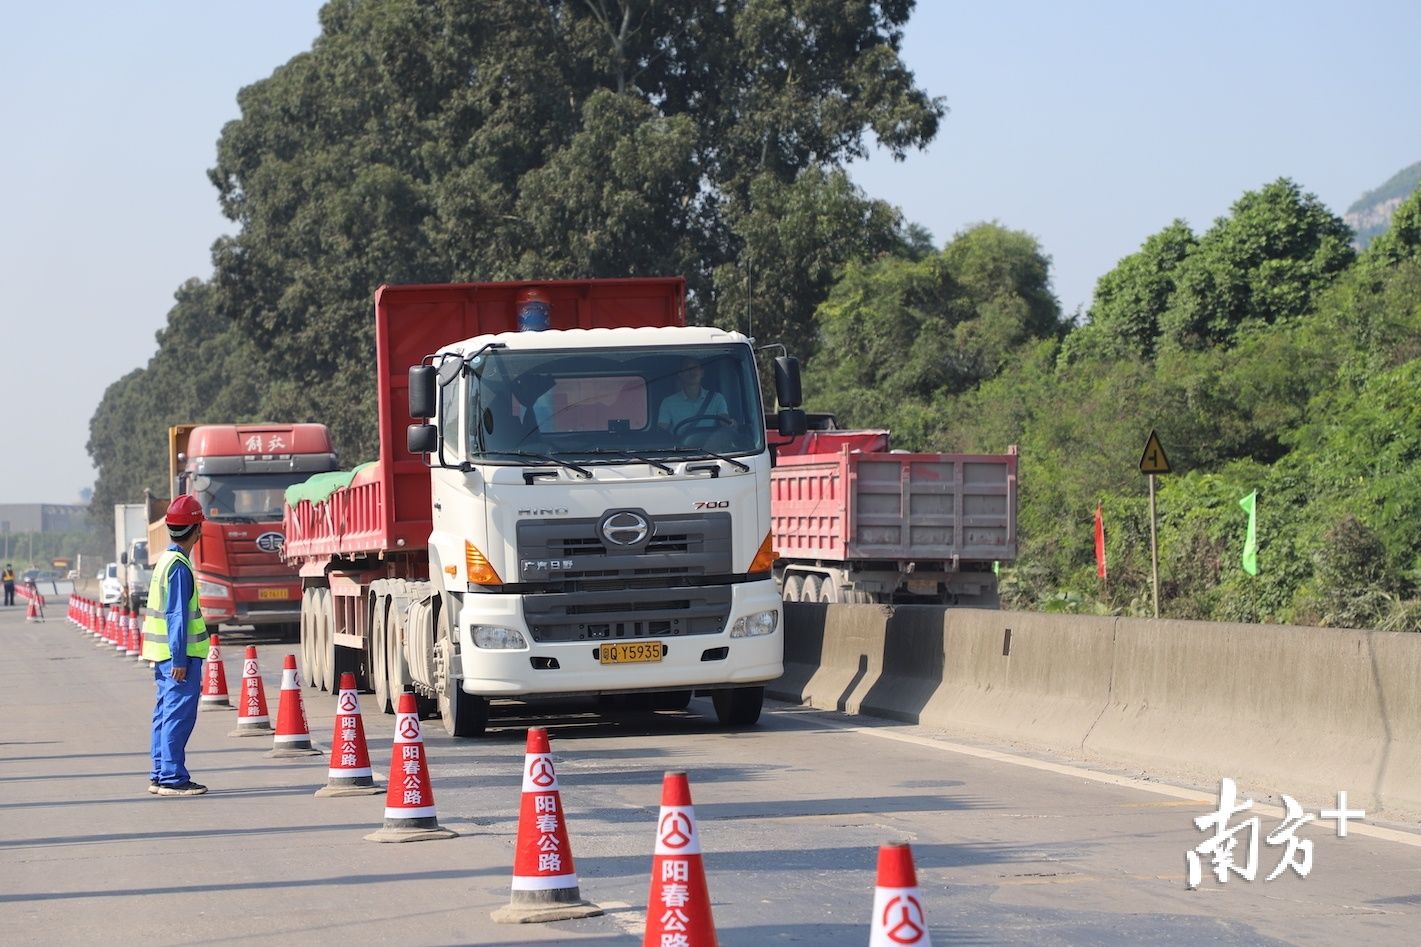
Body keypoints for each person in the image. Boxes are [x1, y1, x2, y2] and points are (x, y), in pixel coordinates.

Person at [142, 495, 211, 797]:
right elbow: (177, 617)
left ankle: (160, 773)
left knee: (165, 714)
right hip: (178, 658)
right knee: (178, 716)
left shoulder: (164, 562)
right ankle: (171, 777)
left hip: (162, 655)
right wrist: (181, 658)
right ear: (197, 529)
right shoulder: (180, 567)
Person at [657, 357, 730, 434]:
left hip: (711, 445)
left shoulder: (717, 398)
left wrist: (731, 424)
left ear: (702, 373)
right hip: (680, 445)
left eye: (695, 368)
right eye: (687, 369)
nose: (692, 371)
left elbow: (724, 421)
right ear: (680, 375)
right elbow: (662, 431)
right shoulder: (668, 402)